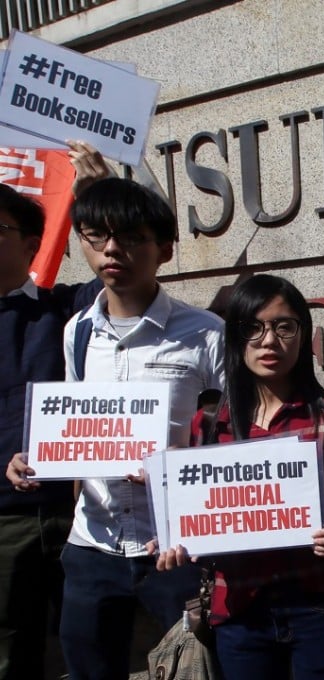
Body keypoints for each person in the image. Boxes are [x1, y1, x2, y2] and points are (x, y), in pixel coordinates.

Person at [8, 177, 225, 680]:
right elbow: (77, 423)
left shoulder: (205, 334)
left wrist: (179, 471)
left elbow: (241, 433)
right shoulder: (77, 331)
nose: (111, 250)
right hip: (92, 545)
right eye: (94, 236)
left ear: (164, 249)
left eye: (129, 237)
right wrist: (35, 458)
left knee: (196, 669)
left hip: (172, 547)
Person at [154, 274, 324, 680]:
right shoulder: (207, 423)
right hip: (240, 612)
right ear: (235, 338)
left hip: (318, 607)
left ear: (303, 335)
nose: (269, 341)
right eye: (253, 328)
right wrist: (174, 537)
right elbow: (196, 514)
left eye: (283, 326)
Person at [0, 180, 100, 680]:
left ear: (32, 244)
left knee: (89, 650)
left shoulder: (64, 309)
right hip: (5, 526)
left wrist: (97, 187)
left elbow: (123, 270)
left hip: (80, 518)